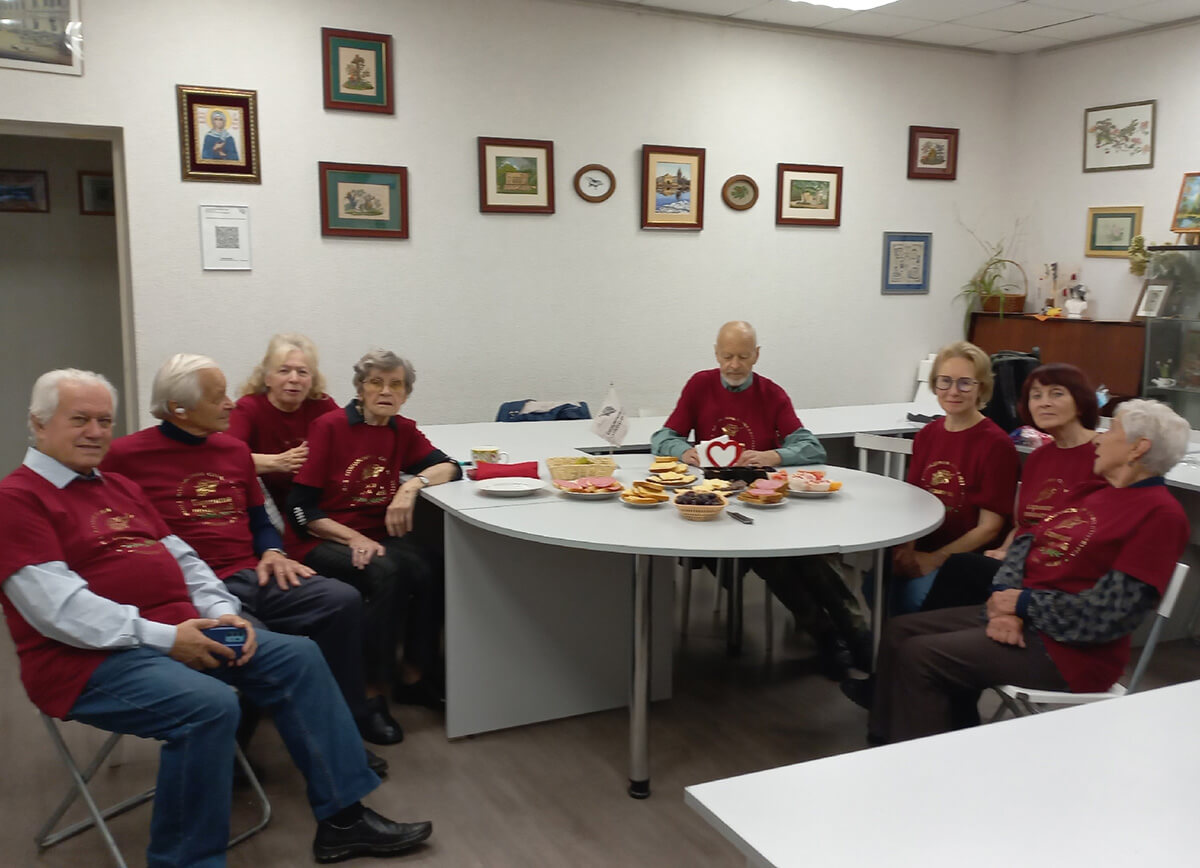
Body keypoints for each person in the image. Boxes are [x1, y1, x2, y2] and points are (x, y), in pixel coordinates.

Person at [0, 369, 432, 866]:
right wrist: (168, 637)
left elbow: (184, 559)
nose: (96, 432)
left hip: (185, 630)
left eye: (104, 421)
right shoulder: (17, 500)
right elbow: (59, 611)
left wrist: (224, 612)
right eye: (80, 420)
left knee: (299, 657)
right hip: (89, 660)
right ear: (38, 423)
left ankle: (344, 821)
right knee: (208, 705)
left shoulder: (115, 485)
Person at [100, 353, 403, 748]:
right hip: (189, 587)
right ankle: (231, 750)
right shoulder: (125, 456)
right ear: (178, 408)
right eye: (218, 398)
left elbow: (260, 521)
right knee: (255, 640)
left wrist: (273, 552)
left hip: (251, 571)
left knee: (341, 600)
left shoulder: (233, 451)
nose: (231, 404)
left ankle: (350, 719)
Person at [860, 399, 1190, 745]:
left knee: (920, 656)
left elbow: (1109, 615)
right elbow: (1025, 543)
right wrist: (1007, 604)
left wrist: (1022, 605)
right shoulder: (1093, 490)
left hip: (1070, 651)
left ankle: (923, 767)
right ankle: (882, 744)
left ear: (1138, 448)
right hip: (1028, 619)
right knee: (899, 631)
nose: (1099, 438)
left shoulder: (1160, 516)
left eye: (1112, 431)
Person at [653, 321, 869, 676]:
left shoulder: (772, 393)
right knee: (775, 560)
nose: (734, 365)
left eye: (742, 356)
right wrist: (683, 451)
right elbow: (662, 437)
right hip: (717, 509)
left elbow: (812, 448)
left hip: (766, 502)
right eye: (727, 356)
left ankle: (856, 635)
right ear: (716, 354)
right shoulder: (699, 385)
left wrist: (774, 455)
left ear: (756, 355)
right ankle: (828, 637)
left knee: (809, 554)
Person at [288, 349, 460, 710]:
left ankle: (415, 675)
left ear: (406, 394)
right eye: (376, 382)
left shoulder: (402, 429)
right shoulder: (330, 427)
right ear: (360, 388)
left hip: (376, 534)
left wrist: (410, 487)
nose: (385, 391)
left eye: (396, 384)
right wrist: (353, 538)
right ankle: (370, 690)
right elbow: (301, 508)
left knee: (433, 566)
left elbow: (450, 467)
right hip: (321, 536)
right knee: (387, 572)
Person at [921, 363, 1102, 611]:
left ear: (1080, 402)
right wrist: (1004, 550)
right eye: (1036, 396)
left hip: (1063, 573)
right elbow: (1023, 525)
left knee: (961, 566)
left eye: (1056, 393)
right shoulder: (1039, 457)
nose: (1044, 403)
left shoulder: (1104, 453)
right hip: (1022, 562)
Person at [888, 341, 1019, 614]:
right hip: (923, 548)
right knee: (875, 587)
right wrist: (906, 552)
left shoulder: (997, 444)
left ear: (982, 387)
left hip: (964, 560)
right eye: (945, 381)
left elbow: (989, 528)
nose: (953, 391)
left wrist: (935, 559)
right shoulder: (927, 435)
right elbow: (914, 503)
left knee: (910, 599)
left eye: (965, 383)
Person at [228, 333, 339, 512]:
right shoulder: (248, 408)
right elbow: (226, 460)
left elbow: (352, 444)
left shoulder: (322, 405)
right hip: (264, 505)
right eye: (284, 371)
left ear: (312, 380)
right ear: (267, 378)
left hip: (316, 503)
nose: (294, 379)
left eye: (302, 372)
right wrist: (278, 462)